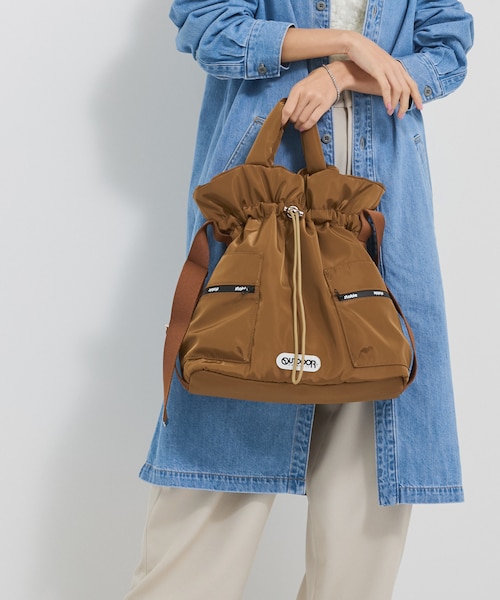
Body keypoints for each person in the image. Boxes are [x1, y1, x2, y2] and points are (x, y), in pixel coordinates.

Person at [124, 1, 474, 599]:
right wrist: (347, 43)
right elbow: (210, 28)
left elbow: (446, 49)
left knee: (365, 498)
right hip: (259, 214)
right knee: (215, 468)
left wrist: (342, 74)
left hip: (383, 217)